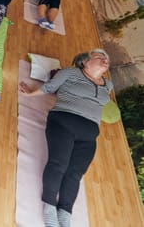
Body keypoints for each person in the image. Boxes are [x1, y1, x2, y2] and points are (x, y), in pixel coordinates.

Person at [19, 49, 113, 227]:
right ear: (85, 62)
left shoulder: (108, 86)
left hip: (90, 135)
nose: (104, 60)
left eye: (106, 58)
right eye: (99, 57)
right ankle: (49, 206)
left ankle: (65, 212)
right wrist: (30, 93)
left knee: (75, 173)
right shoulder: (70, 72)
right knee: (58, 164)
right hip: (64, 121)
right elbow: (49, 87)